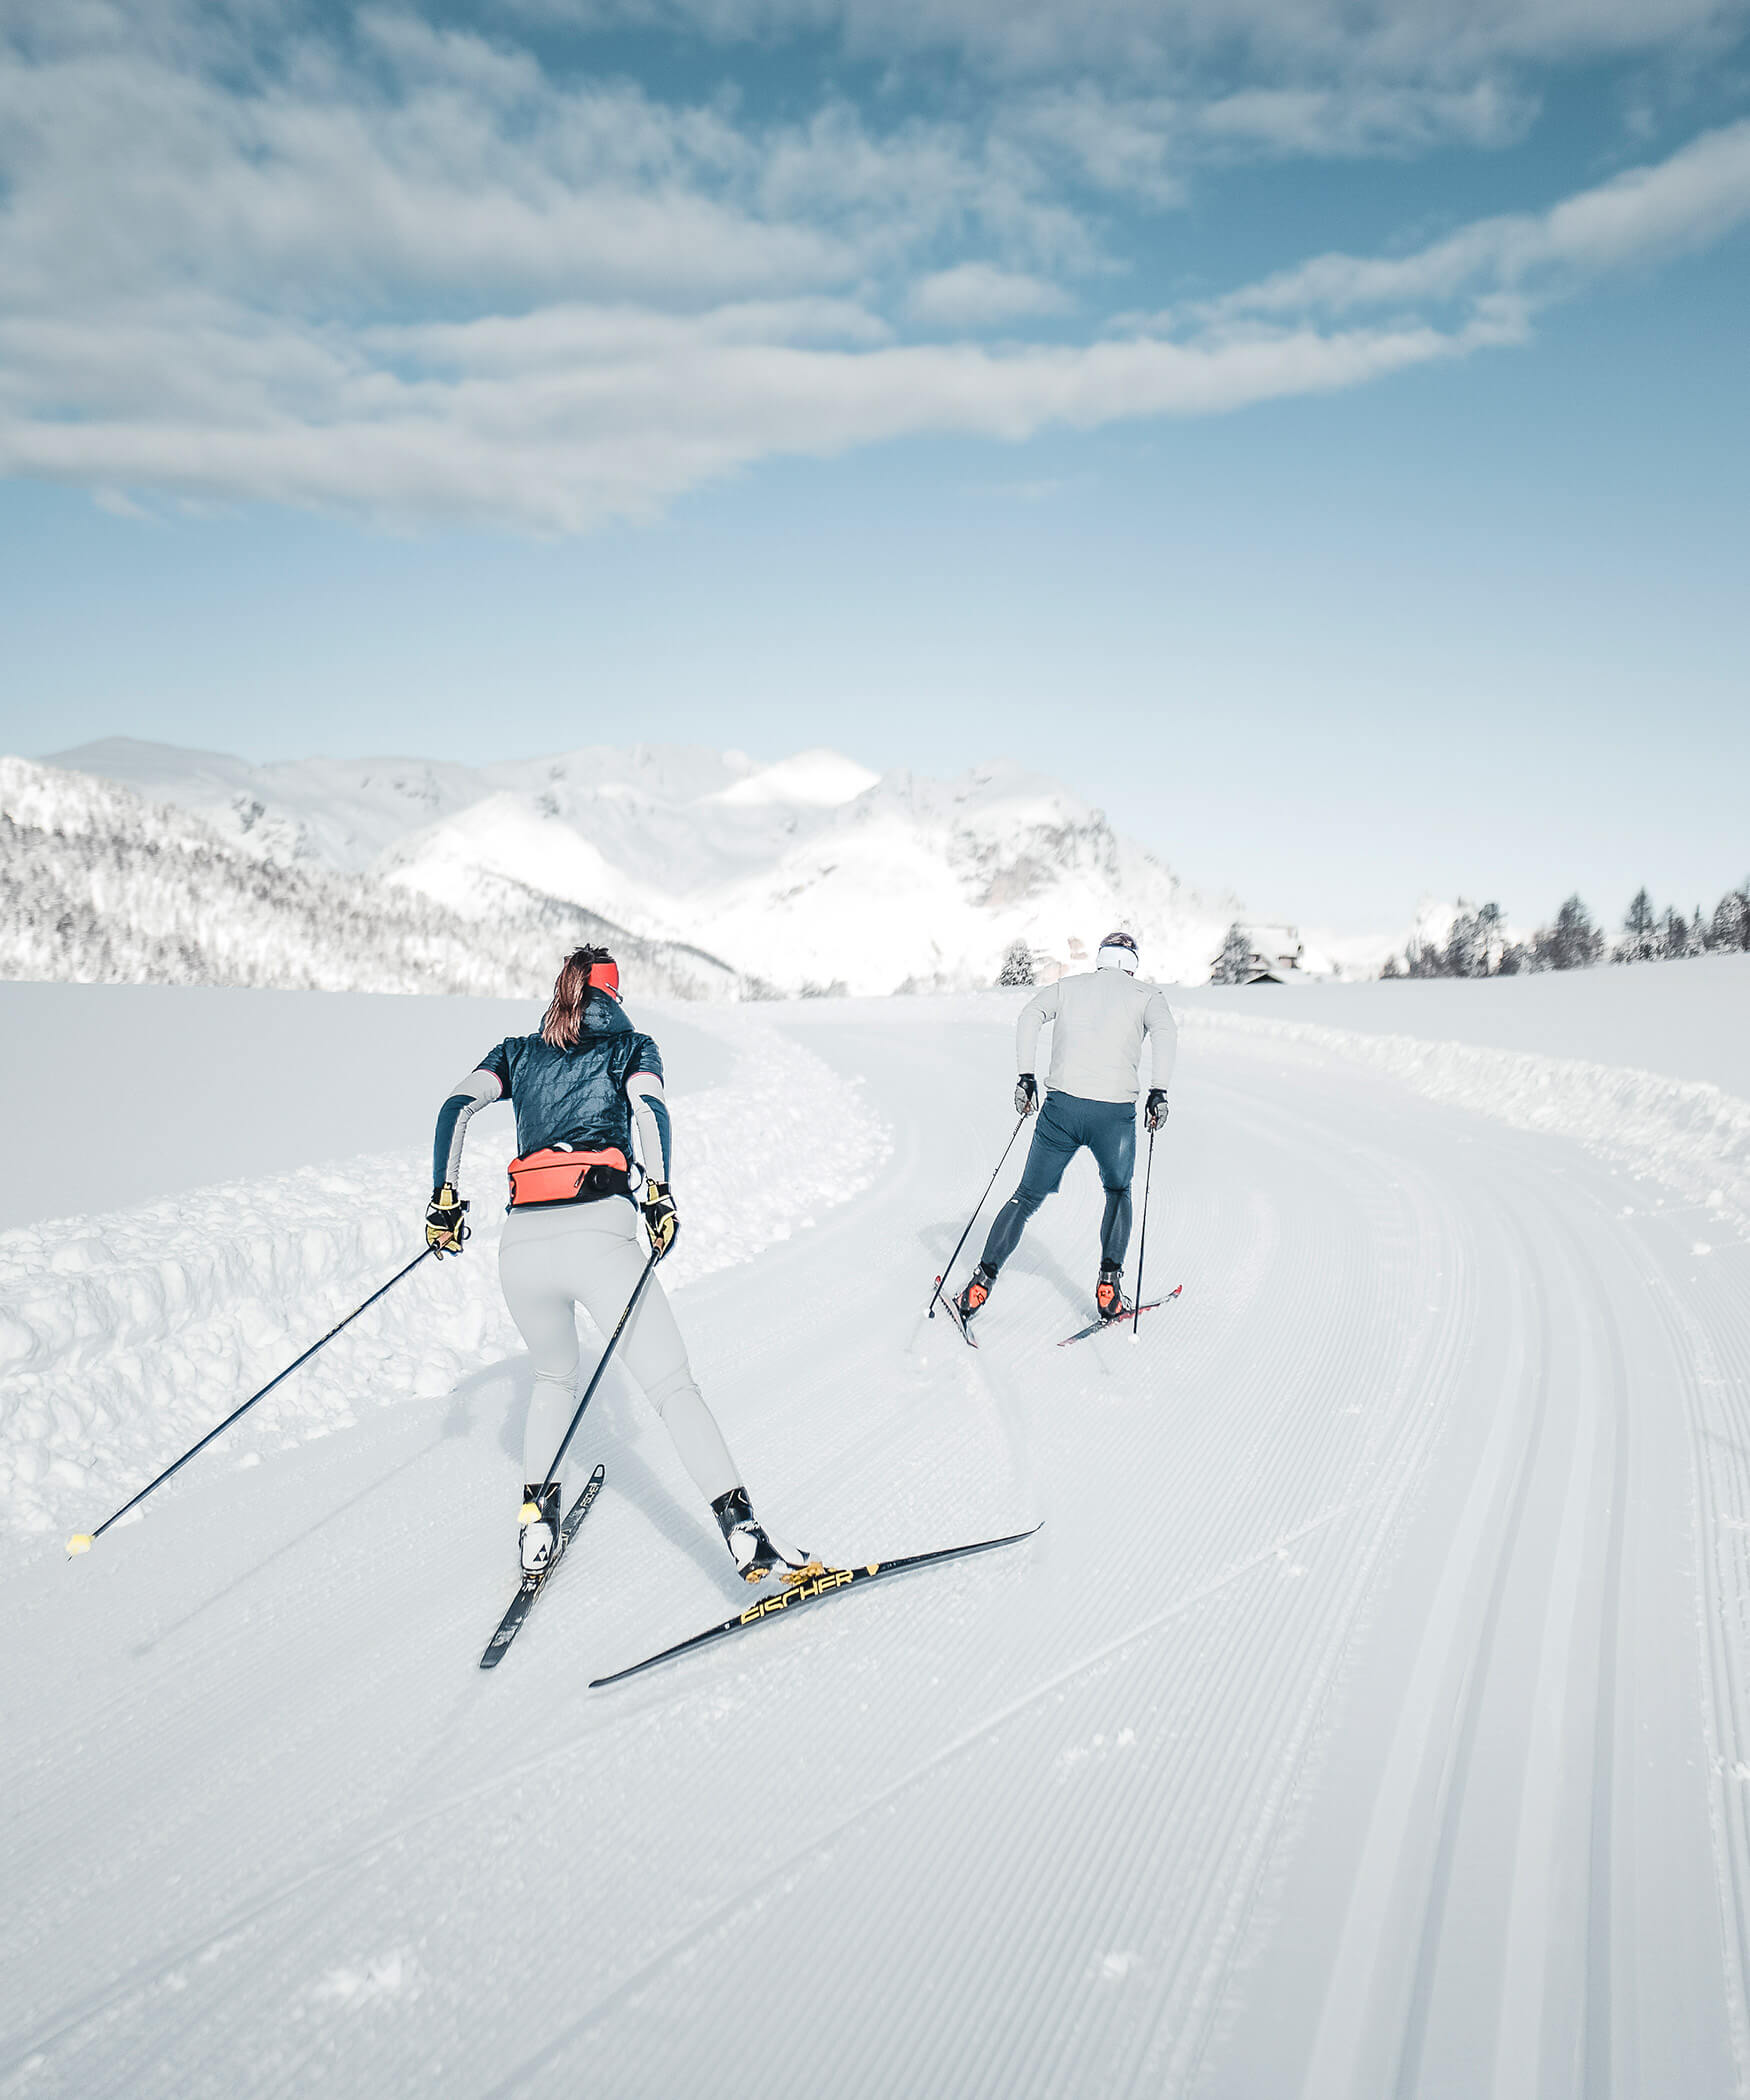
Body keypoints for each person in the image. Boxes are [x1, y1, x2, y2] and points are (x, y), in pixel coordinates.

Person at [424, 945, 807, 1584]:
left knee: (552, 1377)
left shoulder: (515, 1051)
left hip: (519, 1249)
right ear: (614, 994)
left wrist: (443, 1201)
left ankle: (535, 1529)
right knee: (673, 1389)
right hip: (599, 1234)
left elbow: (454, 1110)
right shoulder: (633, 1047)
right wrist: (659, 1193)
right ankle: (745, 1535)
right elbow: (651, 1111)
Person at [954, 929, 1174, 1330]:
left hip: (1062, 1110)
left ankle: (980, 1283)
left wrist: (1026, 1077)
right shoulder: (1147, 997)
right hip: (1114, 1115)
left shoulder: (1068, 988)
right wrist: (1158, 1092)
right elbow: (1166, 1034)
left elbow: (1028, 1016)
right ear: (1133, 963)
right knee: (1118, 1191)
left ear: (1101, 958)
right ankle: (1109, 1287)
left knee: (1025, 1196)